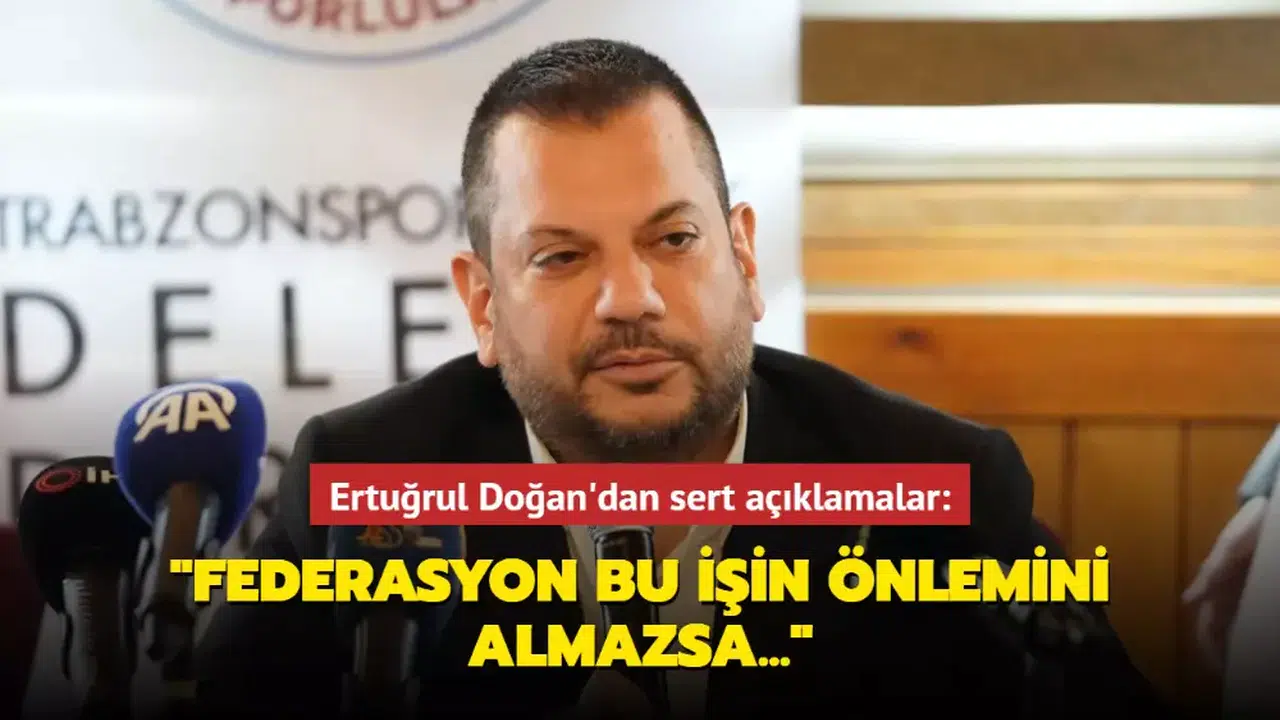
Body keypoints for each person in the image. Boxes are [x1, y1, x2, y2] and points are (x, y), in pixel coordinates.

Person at [197, 38, 1163, 718]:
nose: (632, 298)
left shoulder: (937, 490)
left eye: (673, 240)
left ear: (743, 255)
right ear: (484, 305)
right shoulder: (364, 481)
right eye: (562, 257)